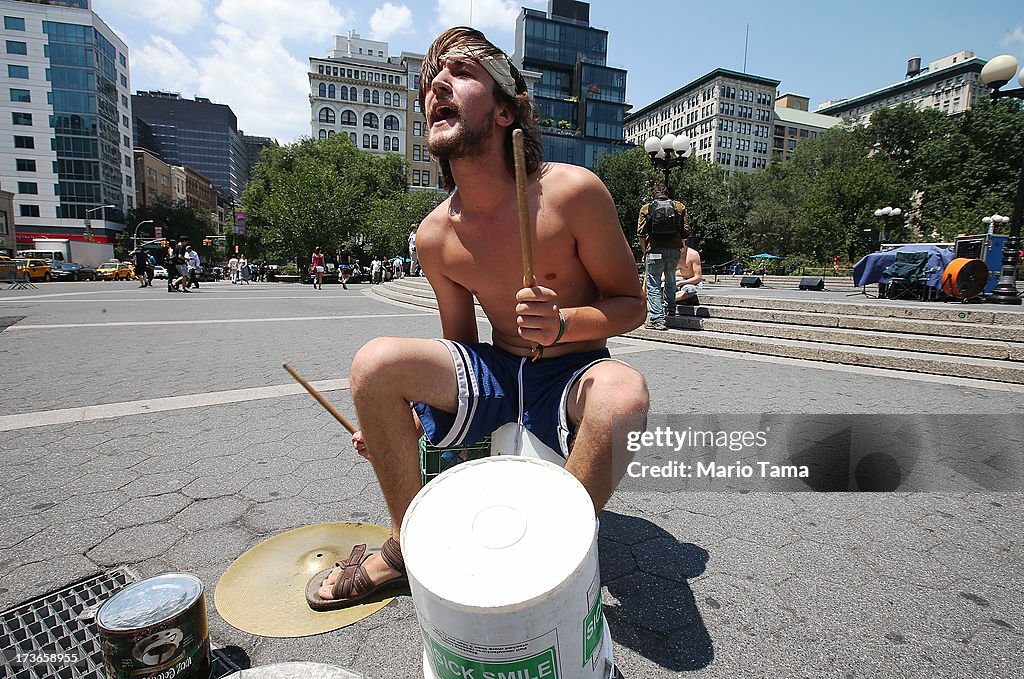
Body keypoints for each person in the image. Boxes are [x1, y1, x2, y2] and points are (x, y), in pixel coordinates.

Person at [308, 26, 647, 610]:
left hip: (570, 373)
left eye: (462, 73)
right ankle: (407, 544)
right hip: (494, 371)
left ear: (504, 112)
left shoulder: (572, 193)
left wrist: (563, 324)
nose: (438, 82)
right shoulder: (434, 236)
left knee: (623, 398)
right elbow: (458, 348)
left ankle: (550, 555)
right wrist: (405, 418)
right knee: (375, 366)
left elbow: (632, 306)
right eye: (431, 80)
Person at [637, 183, 689, 330]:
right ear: (667, 193)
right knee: (671, 277)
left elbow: (641, 233)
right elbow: (686, 231)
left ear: (653, 194)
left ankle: (656, 318)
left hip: (654, 250)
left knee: (653, 282)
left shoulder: (646, 208)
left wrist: (644, 251)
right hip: (674, 250)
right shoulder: (679, 207)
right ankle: (671, 308)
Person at [674, 239, 703, 306]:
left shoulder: (693, 254)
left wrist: (682, 283)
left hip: (687, 281)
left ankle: (669, 299)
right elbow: (663, 276)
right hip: (672, 280)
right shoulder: (670, 254)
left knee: (690, 290)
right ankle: (673, 299)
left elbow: (698, 277)